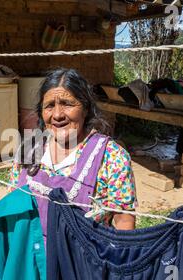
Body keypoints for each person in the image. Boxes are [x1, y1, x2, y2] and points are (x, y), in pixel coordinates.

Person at [9, 68, 137, 245]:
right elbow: (12, 209)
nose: (58, 115)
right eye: (49, 106)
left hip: (83, 266)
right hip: (32, 262)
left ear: (85, 108)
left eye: (67, 104)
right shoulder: (29, 150)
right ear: (41, 112)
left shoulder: (111, 157)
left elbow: (124, 222)